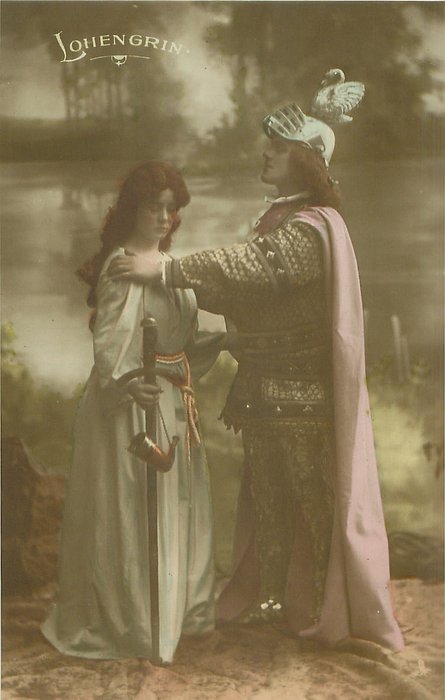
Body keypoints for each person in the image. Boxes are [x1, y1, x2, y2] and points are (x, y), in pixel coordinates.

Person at [108, 74, 404, 651]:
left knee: (313, 502)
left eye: (280, 147)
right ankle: (273, 598)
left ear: (306, 162)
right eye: (270, 144)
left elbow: (253, 269)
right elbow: (240, 284)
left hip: (304, 394)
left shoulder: (308, 229)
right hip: (264, 390)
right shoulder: (278, 220)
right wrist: (180, 284)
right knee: (269, 499)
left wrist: (167, 269)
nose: (267, 153)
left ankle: (320, 606)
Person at [42, 162, 226, 663]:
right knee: (132, 508)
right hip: (129, 407)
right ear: (132, 211)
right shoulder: (121, 266)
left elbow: (183, 343)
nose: (164, 217)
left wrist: (226, 341)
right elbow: (109, 346)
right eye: (153, 208)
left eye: (171, 209)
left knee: (177, 503)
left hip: (171, 401)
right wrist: (128, 385)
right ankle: (138, 623)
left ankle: (179, 613)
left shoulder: (170, 265)